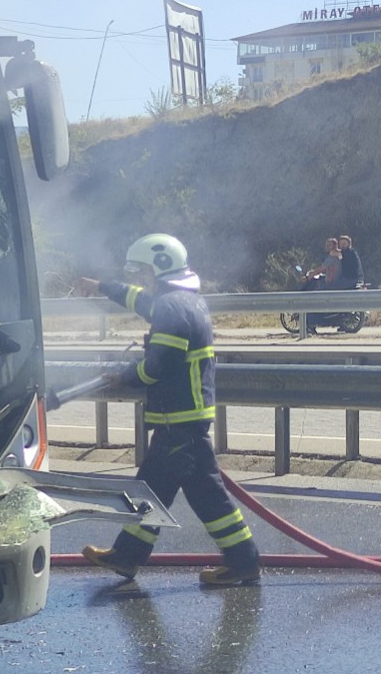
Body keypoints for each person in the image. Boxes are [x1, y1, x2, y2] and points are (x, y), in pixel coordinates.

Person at [75, 234, 261, 587]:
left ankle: (244, 561)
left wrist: (123, 377)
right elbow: (138, 299)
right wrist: (100, 286)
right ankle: (130, 557)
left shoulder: (172, 308)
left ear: (159, 269)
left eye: (144, 271)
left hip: (180, 420)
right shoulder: (181, 301)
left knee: (192, 497)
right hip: (181, 419)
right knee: (168, 491)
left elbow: (157, 365)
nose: (142, 278)